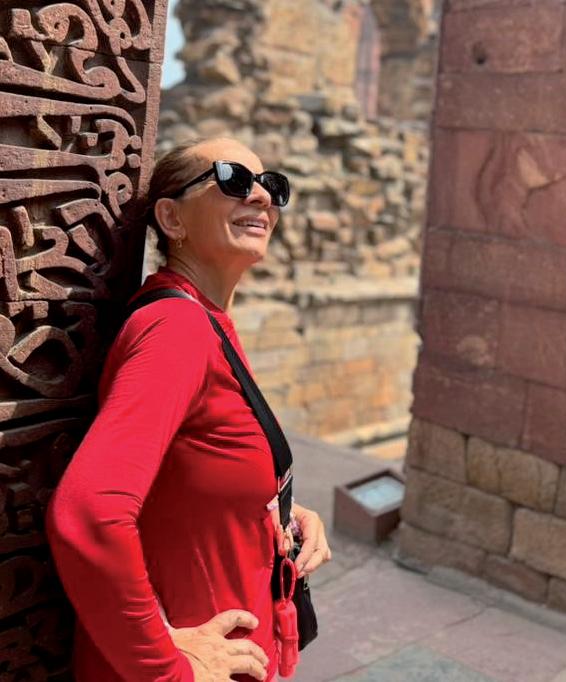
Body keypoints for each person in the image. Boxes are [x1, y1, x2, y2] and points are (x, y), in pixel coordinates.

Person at [46, 137, 332, 682]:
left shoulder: (206, 319)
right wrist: (165, 665)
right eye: (233, 179)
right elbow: (88, 511)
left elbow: (188, 475)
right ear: (172, 218)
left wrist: (278, 508)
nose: (260, 197)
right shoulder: (176, 329)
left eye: (271, 185)